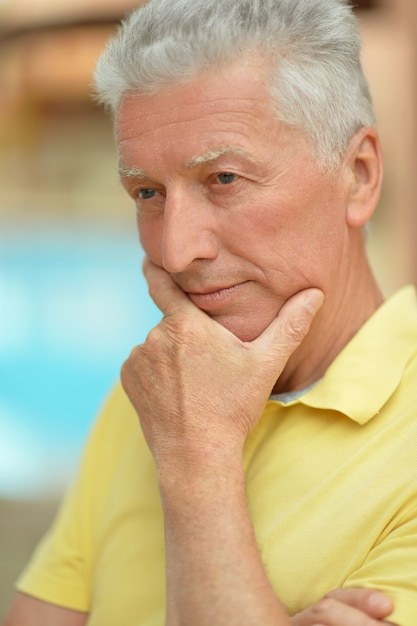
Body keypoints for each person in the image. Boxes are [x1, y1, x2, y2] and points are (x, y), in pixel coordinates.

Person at [3, 0, 417, 624]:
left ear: (357, 176)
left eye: (223, 179)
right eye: (147, 192)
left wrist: (196, 458)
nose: (177, 249)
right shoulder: (159, 391)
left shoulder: (176, 414)